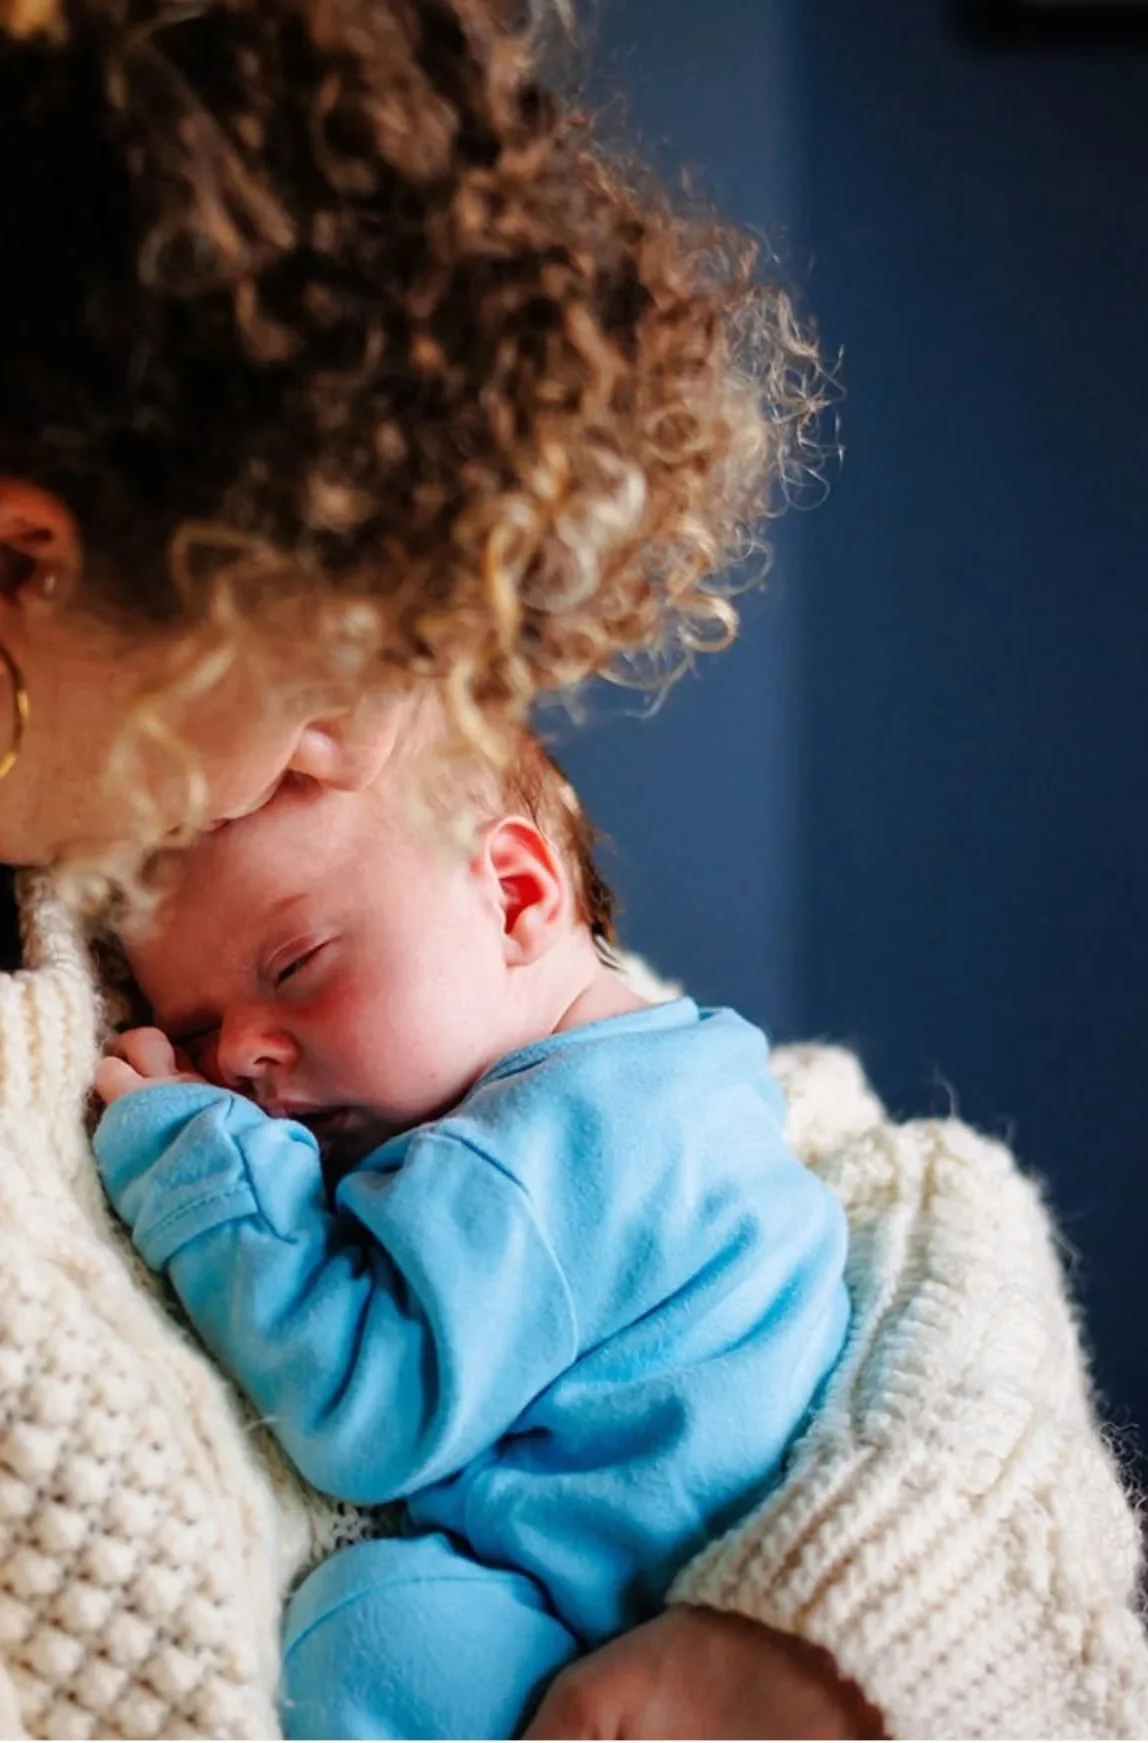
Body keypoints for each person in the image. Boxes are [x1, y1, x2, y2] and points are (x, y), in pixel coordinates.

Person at [0, 1, 1142, 1738]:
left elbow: (888, 1196)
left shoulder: (159, 837)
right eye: (321, 650)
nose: (374, 721)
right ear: (1, 575)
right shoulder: (175, 899)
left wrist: (833, 1638)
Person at [92, 733, 852, 1739]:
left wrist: (199, 1168)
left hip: (602, 1628)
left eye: (296, 965)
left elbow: (367, 1415)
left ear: (516, 894)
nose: (239, 1056)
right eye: (194, 1031)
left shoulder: (531, 1151)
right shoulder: (680, 1069)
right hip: (689, 1601)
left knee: (376, 1630)